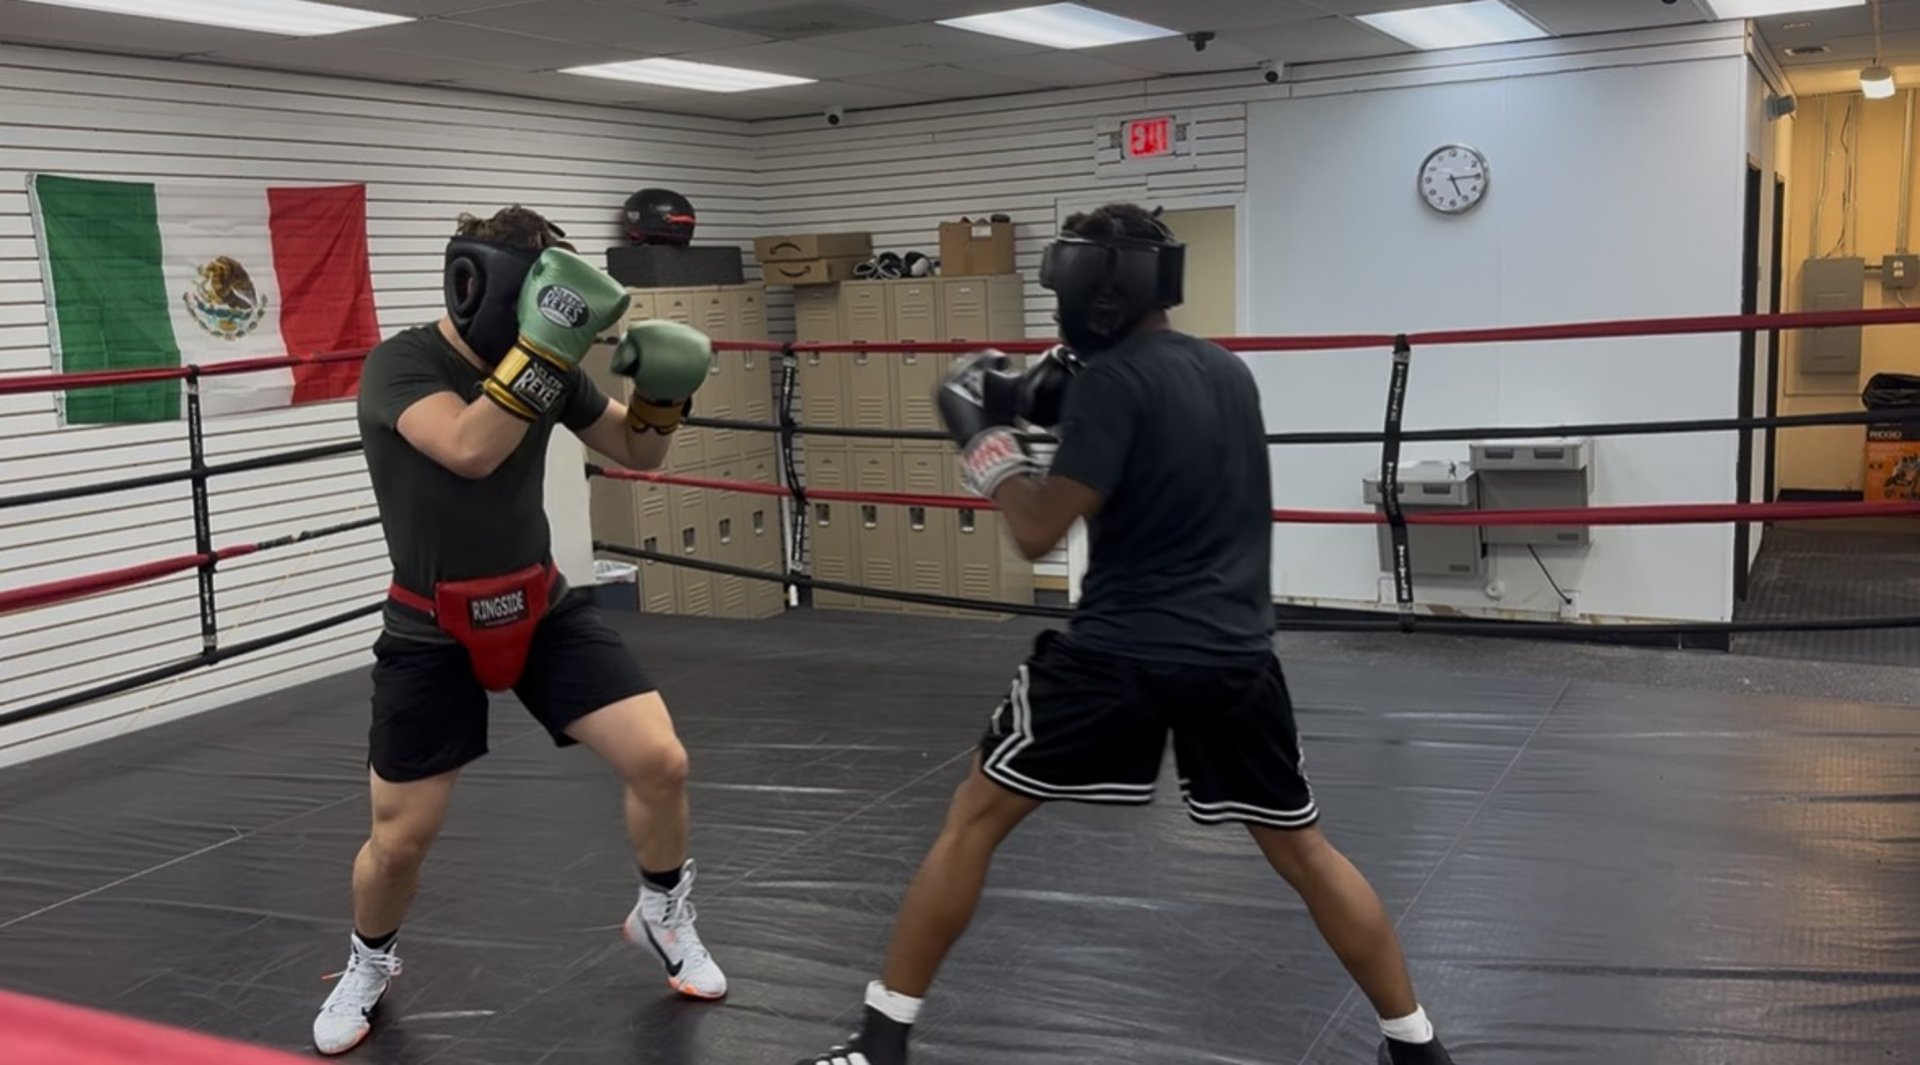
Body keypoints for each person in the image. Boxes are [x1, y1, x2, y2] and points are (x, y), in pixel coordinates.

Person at [795, 204, 1456, 1065]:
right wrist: (1049, 398)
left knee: (971, 821)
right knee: (1305, 850)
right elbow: (1144, 437)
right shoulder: (1227, 373)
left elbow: (1038, 529)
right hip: (1238, 658)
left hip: (1117, 656)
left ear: (1085, 290)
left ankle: (880, 1045)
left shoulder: (1112, 384)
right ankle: (1417, 1045)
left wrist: (988, 444)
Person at [313, 206, 725, 1055]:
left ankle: (661, 915)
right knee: (400, 840)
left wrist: (662, 395)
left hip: (540, 606)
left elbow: (639, 454)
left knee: (662, 759)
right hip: (430, 627)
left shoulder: (543, 362)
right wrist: (545, 350)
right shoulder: (403, 362)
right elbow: (468, 447)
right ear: (487, 287)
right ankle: (368, 959)